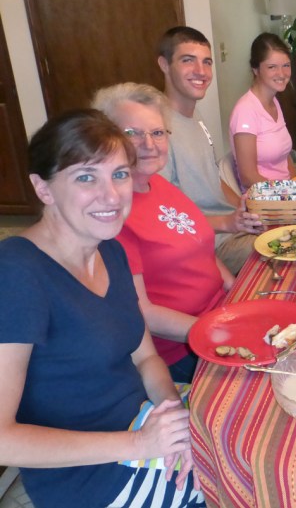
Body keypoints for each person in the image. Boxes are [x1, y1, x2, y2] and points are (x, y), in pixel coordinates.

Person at [0, 110, 203, 507]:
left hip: (144, 425)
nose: (111, 196)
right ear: (43, 189)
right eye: (85, 177)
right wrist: (141, 443)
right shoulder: (16, 274)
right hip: (89, 477)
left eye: (120, 174)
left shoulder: (109, 250)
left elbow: (145, 358)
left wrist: (173, 419)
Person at [93, 83, 233, 383]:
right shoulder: (114, 214)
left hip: (219, 315)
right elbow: (145, 313)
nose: (149, 144)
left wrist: (236, 290)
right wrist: (214, 331)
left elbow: (201, 245)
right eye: (132, 133)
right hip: (181, 348)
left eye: (157, 132)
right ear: (107, 139)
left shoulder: (160, 185)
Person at [157, 26, 264, 275]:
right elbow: (162, 216)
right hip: (210, 245)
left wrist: (245, 208)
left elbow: (212, 178)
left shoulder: (195, 115)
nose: (201, 72)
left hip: (233, 230)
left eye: (207, 62)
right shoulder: (156, 131)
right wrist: (227, 223)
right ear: (164, 64)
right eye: (188, 61)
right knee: (295, 249)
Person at [230, 32, 296, 192]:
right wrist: (287, 195)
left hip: (285, 194)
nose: (281, 74)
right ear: (255, 69)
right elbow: (247, 177)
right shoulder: (245, 110)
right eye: (272, 67)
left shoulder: (274, 101)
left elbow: (284, 157)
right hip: (264, 201)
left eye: (286, 65)